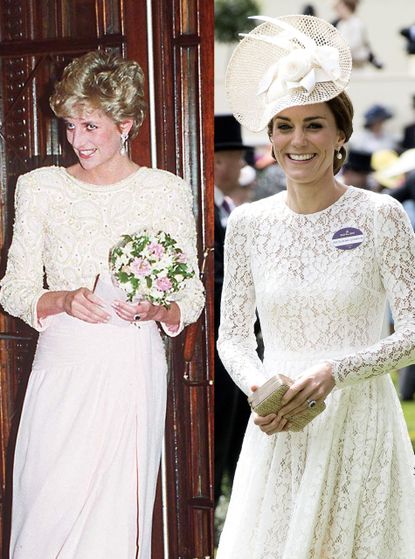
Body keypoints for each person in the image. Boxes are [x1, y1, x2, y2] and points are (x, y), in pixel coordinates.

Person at [217, 14, 415, 558]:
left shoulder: (382, 215)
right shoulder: (248, 225)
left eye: (313, 125)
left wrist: (336, 372)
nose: (297, 141)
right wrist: (264, 390)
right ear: (270, 136)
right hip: (281, 429)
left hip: (360, 423)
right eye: (283, 125)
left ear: (341, 134)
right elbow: (231, 336)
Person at [0, 50, 204, 559]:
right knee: (47, 508)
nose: (78, 140)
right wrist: (62, 298)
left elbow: (192, 294)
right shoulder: (39, 187)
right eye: (70, 126)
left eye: (91, 126)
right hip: (65, 363)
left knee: (115, 516)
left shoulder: (166, 191)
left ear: (126, 124)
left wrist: (160, 310)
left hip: (131, 364)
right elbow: (13, 288)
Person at [214, 114, 251, 506]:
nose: (241, 166)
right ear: (218, 161)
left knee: (236, 430)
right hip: (217, 344)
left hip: (240, 343)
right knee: (219, 428)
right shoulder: (205, 212)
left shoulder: (228, 208)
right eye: (237, 158)